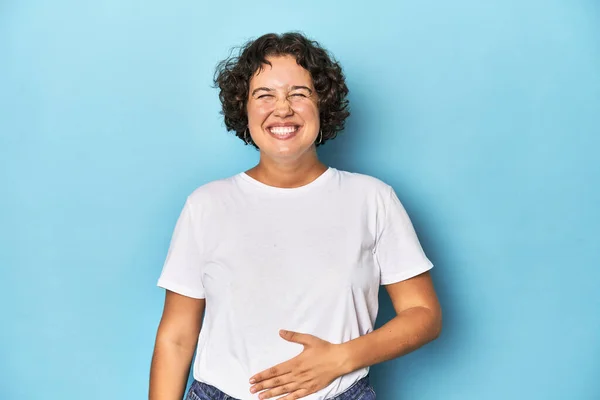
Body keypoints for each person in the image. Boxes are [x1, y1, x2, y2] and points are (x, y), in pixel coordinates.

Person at [149, 32, 442, 400]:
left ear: (324, 104)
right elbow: (175, 337)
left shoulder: (373, 199)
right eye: (264, 95)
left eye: (299, 93)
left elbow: (423, 312)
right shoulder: (206, 204)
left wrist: (341, 358)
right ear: (244, 107)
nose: (282, 108)